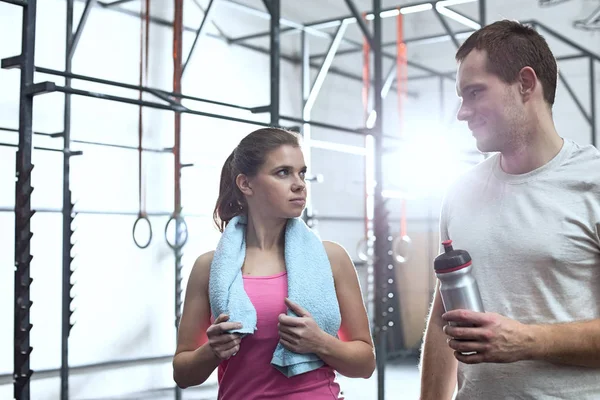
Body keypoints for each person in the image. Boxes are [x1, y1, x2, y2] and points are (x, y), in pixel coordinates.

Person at [419, 20, 600, 400]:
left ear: (526, 84)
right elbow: (443, 319)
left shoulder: (593, 182)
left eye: (474, 93)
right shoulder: (460, 192)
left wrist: (530, 340)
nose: (462, 113)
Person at [172, 128, 376, 399]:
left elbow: (365, 363)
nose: (300, 184)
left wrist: (321, 343)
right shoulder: (209, 268)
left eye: (301, 173)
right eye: (283, 172)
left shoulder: (331, 259)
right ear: (246, 184)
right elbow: (183, 374)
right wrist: (212, 351)